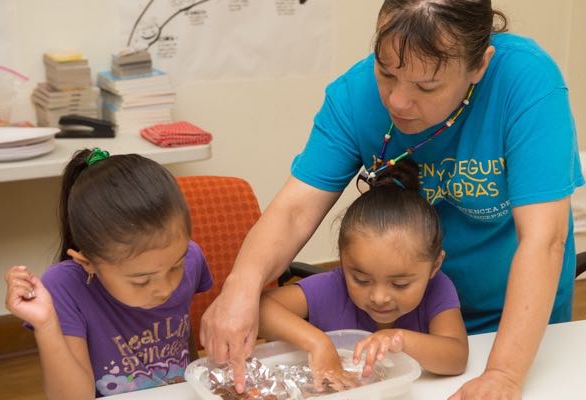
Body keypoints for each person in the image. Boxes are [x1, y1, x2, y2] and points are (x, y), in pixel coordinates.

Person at [201, 0, 583, 398]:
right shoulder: (355, 96)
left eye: (427, 85)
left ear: (479, 66)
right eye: (386, 72)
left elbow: (544, 240)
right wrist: (240, 288)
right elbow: (295, 211)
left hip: (516, 325)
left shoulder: (527, 82)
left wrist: (504, 374)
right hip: (405, 325)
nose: (397, 101)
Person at [4, 148, 213, 399]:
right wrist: (47, 325)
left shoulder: (190, 257)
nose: (166, 288)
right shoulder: (63, 287)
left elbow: (185, 337)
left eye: (175, 267)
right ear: (88, 262)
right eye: (141, 280)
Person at [258, 159, 468, 390]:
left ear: (434, 266)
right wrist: (318, 342)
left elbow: (456, 357)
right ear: (343, 259)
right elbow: (258, 311)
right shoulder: (332, 287)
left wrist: (398, 340)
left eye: (399, 284)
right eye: (361, 279)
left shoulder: (438, 287)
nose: (379, 297)